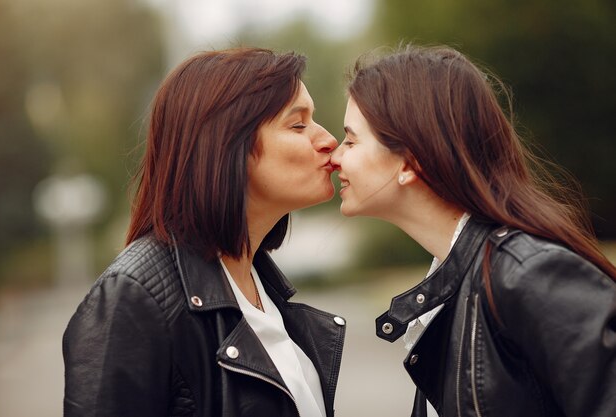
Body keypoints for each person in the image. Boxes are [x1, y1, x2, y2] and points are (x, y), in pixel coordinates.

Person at [330, 44, 616, 417]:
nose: (335, 157)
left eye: (351, 140)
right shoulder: (456, 288)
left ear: (410, 162)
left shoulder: (526, 275)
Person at [63, 47, 346, 417]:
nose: (328, 140)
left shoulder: (264, 289)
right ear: (228, 145)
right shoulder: (132, 299)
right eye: (298, 124)